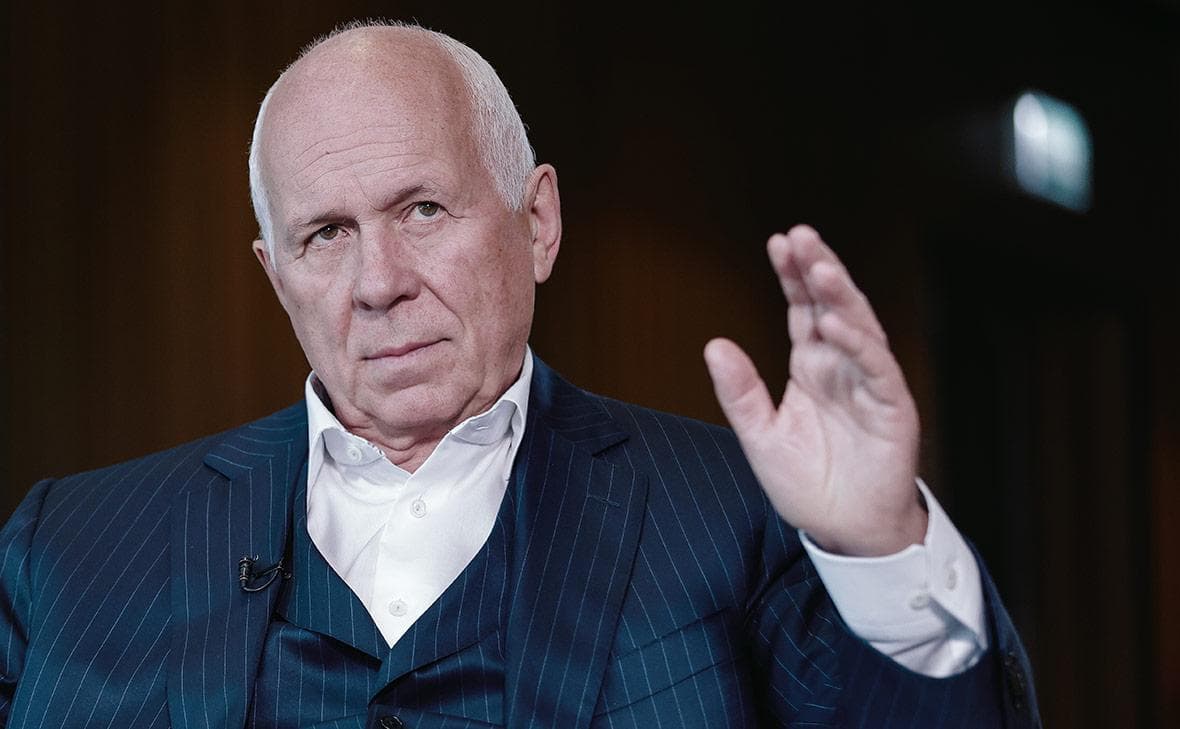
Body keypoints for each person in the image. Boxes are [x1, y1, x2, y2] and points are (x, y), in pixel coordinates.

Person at [0, 21, 1039, 729]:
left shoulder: (740, 519)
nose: (378, 283)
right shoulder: (69, 549)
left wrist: (879, 549)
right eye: (325, 235)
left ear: (536, 222)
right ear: (278, 277)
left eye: (422, 210)